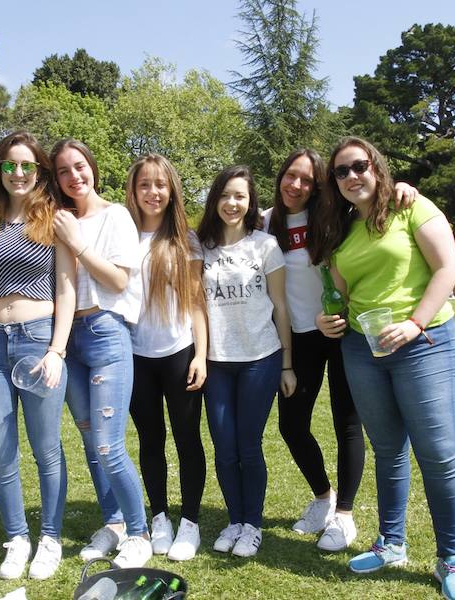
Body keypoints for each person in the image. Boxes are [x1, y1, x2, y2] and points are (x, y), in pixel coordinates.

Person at [316, 137, 455, 600]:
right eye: (341, 172)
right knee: (387, 448)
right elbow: (343, 294)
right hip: (363, 348)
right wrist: (330, 320)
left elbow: (448, 268)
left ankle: (451, 559)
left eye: (359, 166)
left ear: (377, 167)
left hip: (424, 341)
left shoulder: (413, 206)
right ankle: (392, 543)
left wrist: (414, 322)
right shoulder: (341, 230)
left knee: (438, 453)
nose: (351, 177)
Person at [262, 149, 405, 551]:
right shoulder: (265, 220)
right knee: (290, 425)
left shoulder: (335, 216)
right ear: (280, 176)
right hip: (298, 337)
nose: (297, 185)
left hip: (344, 331)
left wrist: (403, 190)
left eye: (307, 180)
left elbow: (376, 199)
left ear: (319, 185)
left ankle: (344, 515)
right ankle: (322, 498)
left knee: (347, 424)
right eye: (291, 176)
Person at [0, 131, 76, 580]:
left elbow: (67, 288)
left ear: (39, 171)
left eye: (27, 166)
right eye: (10, 165)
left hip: (38, 341)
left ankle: (49, 538)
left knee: (46, 448)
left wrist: (56, 349)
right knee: (0, 451)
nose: (18, 173)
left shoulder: (55, 220)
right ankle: (16, 537)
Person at [50, 138, 151, 569]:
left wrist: (78, 243)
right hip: (70, 338)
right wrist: (58, 344)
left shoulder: (117, 216)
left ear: (92, 167)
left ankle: (138, 532)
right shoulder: (61, 220)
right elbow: (66, 284)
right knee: (91, 443)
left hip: (108, 332)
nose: (74, 176)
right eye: (63, 171)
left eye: (79, 166)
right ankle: (112, 524)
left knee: (110, 447)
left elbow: (116, 282)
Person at [197, 165, 294, 559]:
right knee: (224, 447)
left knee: (248, 447)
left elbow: (281, 307)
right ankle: (234, 520)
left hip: (261, 358)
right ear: (214, 200)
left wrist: (287, 364)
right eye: (224, 195)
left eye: (240, 196)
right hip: (216, 361)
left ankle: (252, 525)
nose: (232, 203)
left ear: (251, 201)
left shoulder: (266, 246)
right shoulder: (200, 246)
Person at [124, 154, 208, 561]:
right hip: (136, 357)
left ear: (171, 189)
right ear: (133, 190)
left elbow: (196, 305)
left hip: (179, 353)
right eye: (145, 185)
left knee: (187, 438)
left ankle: (190, 523)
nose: (153, 192)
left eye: (160, 184)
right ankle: (159, 517)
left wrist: (202, 356)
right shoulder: (122, 236)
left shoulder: (184, 241)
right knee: (150, 439)